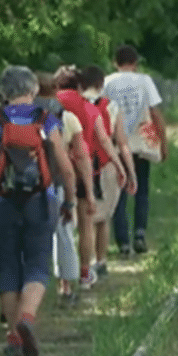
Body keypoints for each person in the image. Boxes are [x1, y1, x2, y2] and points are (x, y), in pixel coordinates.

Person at [0, 66, 76, 356]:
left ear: (3, 93)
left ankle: (13, 336)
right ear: (33, 90)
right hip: (40, 199)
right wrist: (70, 201)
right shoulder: (46, 119)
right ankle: (27, 318)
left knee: (7, 264)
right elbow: (64, 165)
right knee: (37, 260)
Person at [54, 66, 127, 288]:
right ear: (79, 86)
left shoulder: (53, 104)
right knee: (86, 224)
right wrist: (119, 165)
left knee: (62, 226)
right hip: (85, 168)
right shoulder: (88, 107)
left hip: (57, 167)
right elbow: (104, 140)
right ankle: (85, 273)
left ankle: (64, 282)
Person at [35, 72, 95, 301]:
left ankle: (26, 291)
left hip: (20, 188)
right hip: (56, 183)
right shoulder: (66, 117)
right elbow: (80, 157)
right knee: (63, 234)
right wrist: (87, 192)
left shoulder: (16, 116)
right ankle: (65, 287)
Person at [103, 44, 168, 255]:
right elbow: (155, 113)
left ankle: (123, 242)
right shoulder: (144, 81)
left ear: (115, 62)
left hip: (116, 144)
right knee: (141, 191)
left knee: (119, 193)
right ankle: (139, 233)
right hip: (141, 143)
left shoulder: (107, 83)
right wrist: (163, 141)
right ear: (136, 63)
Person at [79, 65, 137, 276]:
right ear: (101, 84)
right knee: (103, 218)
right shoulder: (111, 106)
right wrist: (130, 171)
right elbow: (121, 143)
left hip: (80, 165)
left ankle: (84, 264)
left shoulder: (73, 106)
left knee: (83, 219)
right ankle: (100, 261)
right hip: (106, 164)